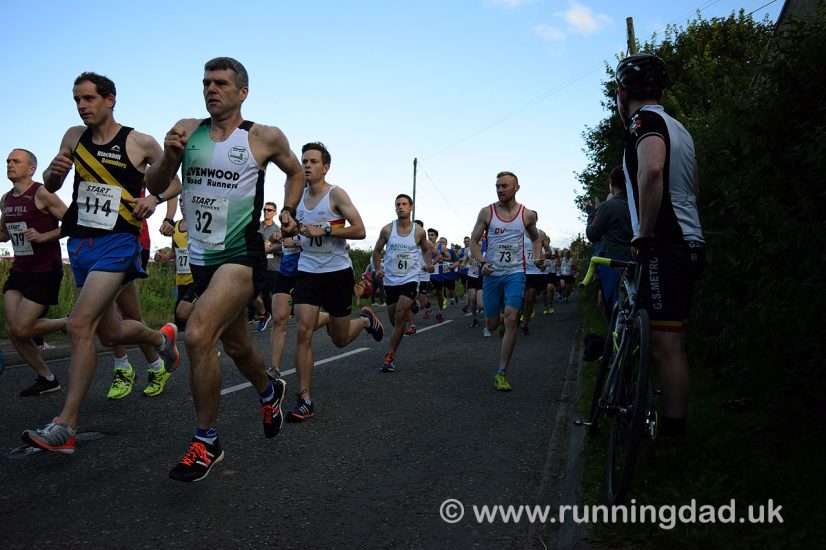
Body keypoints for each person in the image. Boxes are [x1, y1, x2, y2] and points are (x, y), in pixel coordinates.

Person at [145, 57, 305, 481]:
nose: (211, 89)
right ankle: (270, 390)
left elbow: (295, 172)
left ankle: (207, 441)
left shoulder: (263, 137)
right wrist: (168, 156)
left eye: (220, 83)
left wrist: (288, 210)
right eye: (206, 83)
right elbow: (157, 186)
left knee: (197, 334)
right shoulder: (186, 130)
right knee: (235, 348)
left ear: (242, 92)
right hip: (200, 259)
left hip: (240, 254)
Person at [21, 72, 180, 455]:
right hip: (80, 243)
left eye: (89, 98)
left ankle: (66, 426)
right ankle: (160, 338)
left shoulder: (139, 141)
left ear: (110, 99)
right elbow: (53, 183)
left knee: (79, 325)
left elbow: (174, 181)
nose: (82, 105)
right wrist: (52, 175)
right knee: (109, 334)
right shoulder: (73, 136)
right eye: (77, 99)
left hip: (119, 241)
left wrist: (154, 200)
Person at [614, 53, 705, 437]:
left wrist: (644, 233)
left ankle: (672, 438)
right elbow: (695, 186)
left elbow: (651, 169)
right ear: (661, 90)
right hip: (690, 240)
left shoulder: (643, 122)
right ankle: (671, 430)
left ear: (622, 94)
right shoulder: (678, 127)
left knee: (666, 347)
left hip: (664, 245)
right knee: (672, 341)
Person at [287, 141, 384, 422]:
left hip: (337, 273)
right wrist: (288, 236)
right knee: (303, 330)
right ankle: (305, 398)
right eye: (304, 160)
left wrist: (327, 228)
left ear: (325, 167)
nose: (307, 165)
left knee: (340, 340)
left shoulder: (335, 194)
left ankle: (365, 320)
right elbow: (301, 234)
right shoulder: (296, 198)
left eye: (313, 161)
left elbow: (361, 230)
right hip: (307, 270)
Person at [1, 148, 68, 396]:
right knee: (13, 329)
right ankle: (47, 378)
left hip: (45, 269)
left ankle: (69, 322)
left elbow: (71, 222)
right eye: (8, 161)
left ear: (30, 169)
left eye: (16, 161)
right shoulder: (5, 199)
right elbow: (4, 233)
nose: (10, 164)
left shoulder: (41, 193)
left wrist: (43, 236)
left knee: (21, 329)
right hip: (20, 269)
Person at [469, 171, 544, 391]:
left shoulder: (526, 214)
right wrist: (482, 261)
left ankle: (501, 372)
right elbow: (474, 241)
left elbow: (535, 237)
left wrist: (538, 257)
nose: (500, 190)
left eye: (504, 186)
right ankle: (498, 322)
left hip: (515, 273)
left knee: (513, 317)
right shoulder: (487, 212)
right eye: (497, 186)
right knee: (492, 324)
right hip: (492, 274)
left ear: (516, 188)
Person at [371, 193, 433, 372]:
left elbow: (425, 250)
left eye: (404, 204)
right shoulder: (387, 230)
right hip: (390, 280)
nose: (401, 207)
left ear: (411, 207)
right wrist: (377, 269)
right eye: (398, 204)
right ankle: (405, 317)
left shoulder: (419, 231)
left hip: (410, 278)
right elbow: (376, 252)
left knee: (400, 312)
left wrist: (428, 264)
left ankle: (389, 356)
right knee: (395, 320)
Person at [585, 166, 633, 316]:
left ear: (612, 183)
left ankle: (617, 335)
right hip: (637, 258)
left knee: (614, 304)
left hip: (614, 262)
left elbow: (592, 234)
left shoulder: (608, 206)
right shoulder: (638, 203)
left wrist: (592, 213)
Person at [521, 211, 549, 336]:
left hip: (534, 270)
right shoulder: (519, 233)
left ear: (536, 219)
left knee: (530, 297)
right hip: (520, 269)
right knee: (519, 298)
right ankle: (516, 316)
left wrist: (543, 262)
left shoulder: (541, 234)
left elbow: (545, 251)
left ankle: (525, 324)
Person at [255, 200, 281, 331]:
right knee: (258, 294)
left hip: (273, 267)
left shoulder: (278, 230)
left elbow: (284, 249)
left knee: (275, 297)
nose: (266, 212)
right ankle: (265, 316)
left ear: (275, 213)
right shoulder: (256, 226)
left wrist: (271, 247)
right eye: (265, 209)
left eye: (269, 210)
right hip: (258, 266)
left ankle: (279, 324)